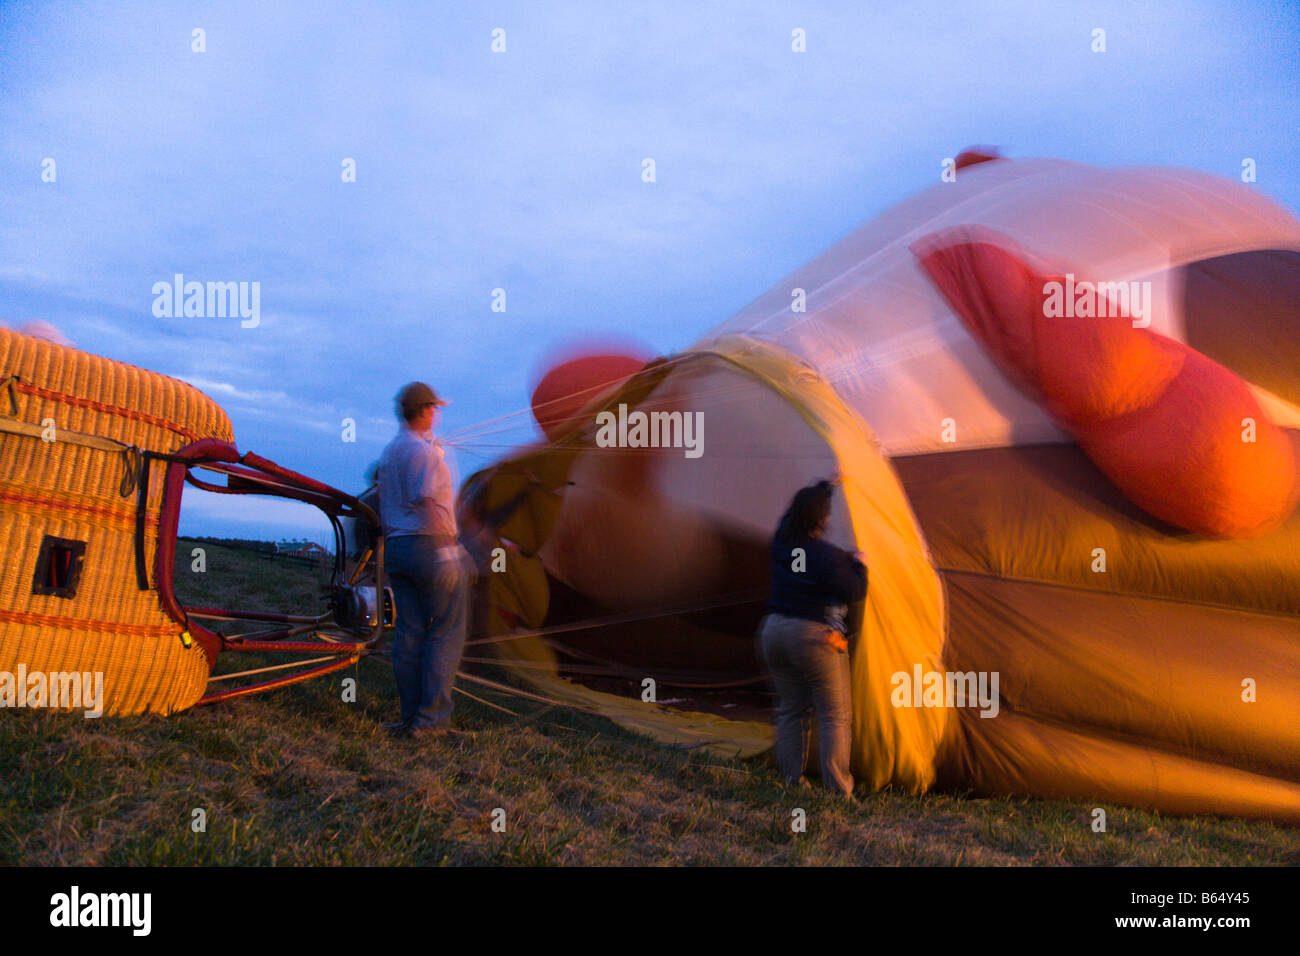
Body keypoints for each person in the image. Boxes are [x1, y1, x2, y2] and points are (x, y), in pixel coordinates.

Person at [758, 479, 867, 797]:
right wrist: (861, 564)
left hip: (773, 632)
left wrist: (827, 485)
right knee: (835, 715)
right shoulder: (825, 555)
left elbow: (788, 518)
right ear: (823, 519)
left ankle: (792, 780)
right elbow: (853, 590)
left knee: (791, 709)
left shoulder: (781, 540)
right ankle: (838, 790)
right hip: (814, 637)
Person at [376, 382, 472, 738]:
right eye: (435, 408)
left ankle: (409, 718)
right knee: (446, 631)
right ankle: (431, 722)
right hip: (428, 547)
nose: (437, 414)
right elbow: (430, 504)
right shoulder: (424, 454)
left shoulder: (391, 453)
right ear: (425, 410)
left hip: (398, 549)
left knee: (410, 634)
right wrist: (451, 553)